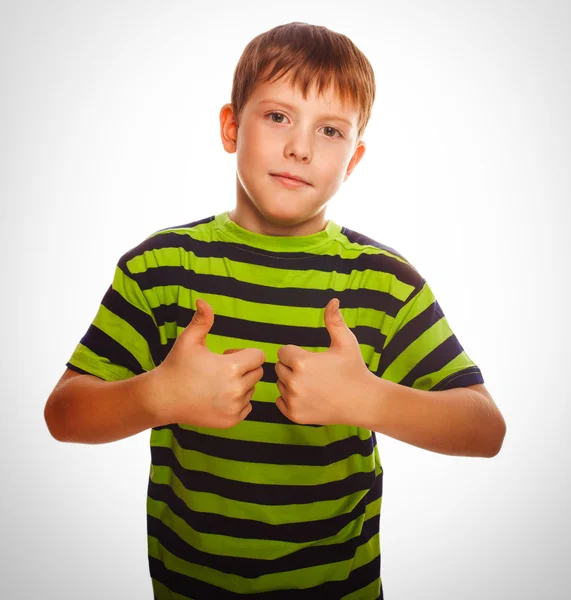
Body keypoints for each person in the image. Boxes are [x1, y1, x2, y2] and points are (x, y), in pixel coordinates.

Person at [44, 21, 506, 599]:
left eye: (330, 130)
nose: (300, 147)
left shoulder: (383, 283)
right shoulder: (160, 268)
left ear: (355, 157)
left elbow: (485, 429)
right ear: (231, 127)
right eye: (278, 116)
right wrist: (158, 394)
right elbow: (63, 414)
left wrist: (371, 399)